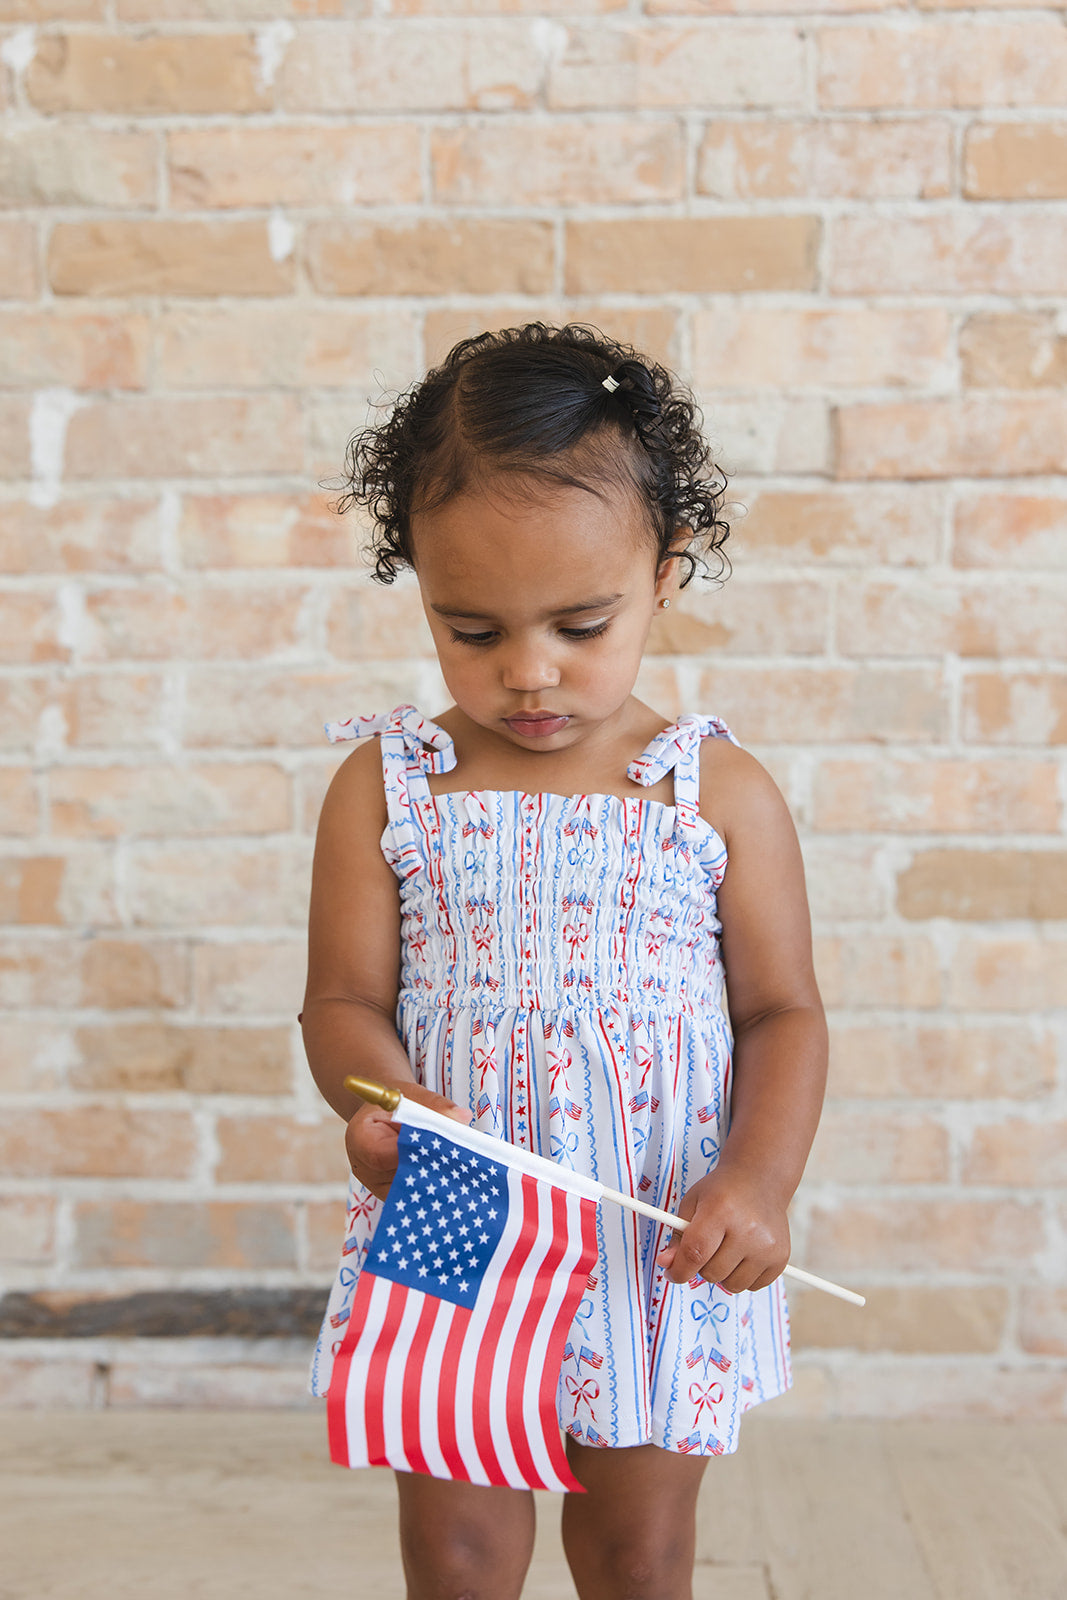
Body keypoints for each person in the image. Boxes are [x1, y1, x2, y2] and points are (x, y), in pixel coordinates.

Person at [301, 323, 827, 1600]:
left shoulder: (715, 795)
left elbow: (782, 1012)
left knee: (632, 1549)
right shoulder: (389, 785)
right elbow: (342, 1004)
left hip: (656, 1227)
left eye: (579, 624)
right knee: (459, 1547)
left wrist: (755, 1178)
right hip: (454, 1204)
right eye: (469, 629)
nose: (527, 673)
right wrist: (385, 1104)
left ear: (665, 574)